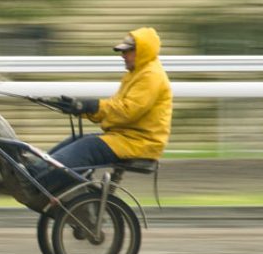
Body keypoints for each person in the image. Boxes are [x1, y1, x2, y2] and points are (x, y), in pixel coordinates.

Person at [37, 27, 173, 193]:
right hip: (127, 137)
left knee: (87, 146)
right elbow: (114, 107)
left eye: (126, 51)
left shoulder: (151, 76)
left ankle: (39, 180)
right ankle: (37, 170)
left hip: (140, 142)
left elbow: (127, 111)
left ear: (142, 51)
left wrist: (92, 106)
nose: (122, 55)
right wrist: (81, 108)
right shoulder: (137, 73)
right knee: (77, 140)